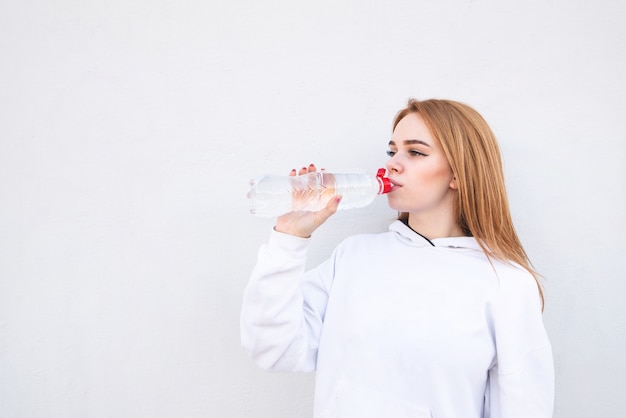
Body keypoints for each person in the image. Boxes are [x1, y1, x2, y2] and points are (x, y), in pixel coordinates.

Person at [240, 98, 554, 417]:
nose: (393, 164)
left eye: (415, 152)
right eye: (392, 151)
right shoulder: (353, 257)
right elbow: (273, 348)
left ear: (458, 173)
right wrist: (290, 235)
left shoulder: (507, 284)